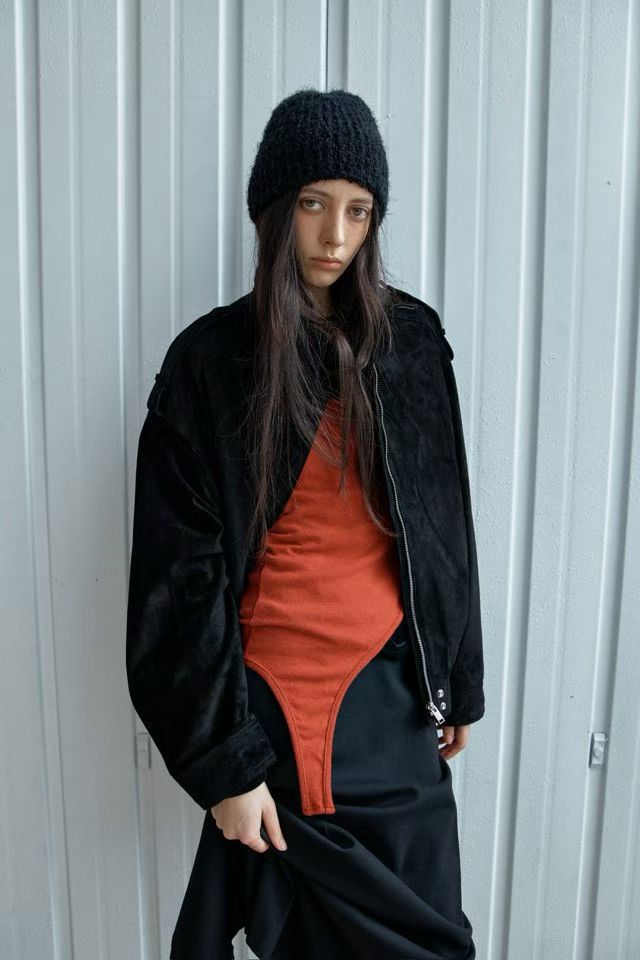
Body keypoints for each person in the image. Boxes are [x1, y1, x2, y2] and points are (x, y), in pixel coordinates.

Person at [126, 87, 485, 960]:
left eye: (358, 211)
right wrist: (226, 767)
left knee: (432, 936)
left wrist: (458, 676)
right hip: (279, 721)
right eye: (314, 204)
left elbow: (446, 524)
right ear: (275, 211)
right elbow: (176, 584)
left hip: (395, 706)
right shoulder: (210, 363)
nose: (335, 235)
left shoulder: (413, 342)